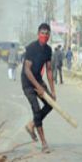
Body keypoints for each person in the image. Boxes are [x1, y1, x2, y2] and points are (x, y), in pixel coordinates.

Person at [22, 23, 56, 153]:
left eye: (47, 33)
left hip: (38, 80)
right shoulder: (31, 48)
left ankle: (31, 125)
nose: (45, 36)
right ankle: (44, 143)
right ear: (38, 34)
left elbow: (49, 70)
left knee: (50, 104)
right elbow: (27, 70)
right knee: (36, 109)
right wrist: (38, 87)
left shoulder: (48, 50)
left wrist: (52, 91)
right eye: (42, 33)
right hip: (27, 82)